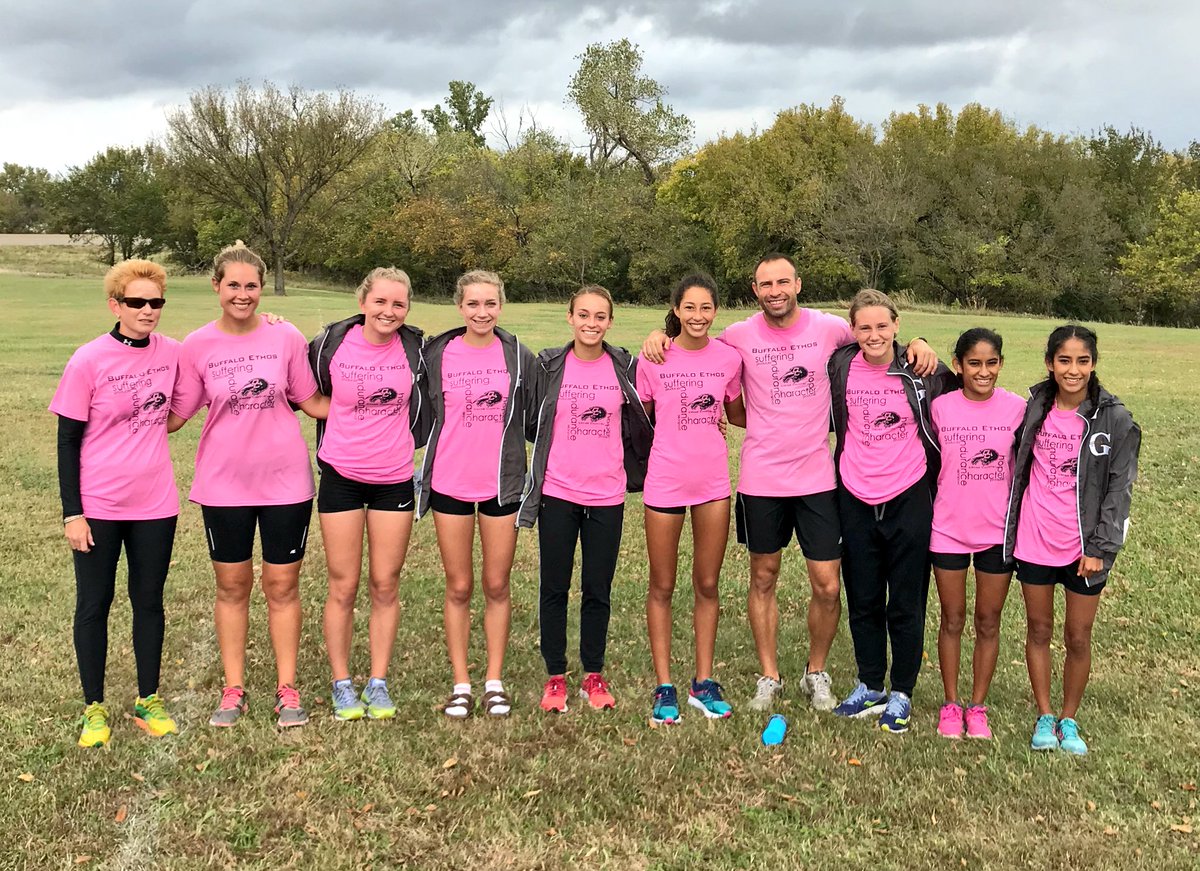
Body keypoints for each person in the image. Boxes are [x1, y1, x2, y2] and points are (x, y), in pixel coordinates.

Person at [642, 254, 938, 712]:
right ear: (755, 289)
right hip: (762, 478)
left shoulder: (830, 328)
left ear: (798, 284)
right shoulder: (738, 336)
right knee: (763, 576)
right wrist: (658, 335)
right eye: (766, 284)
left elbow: (877, 336)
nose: (775, 290)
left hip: (817, 478)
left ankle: (815, 672)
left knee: (827, 584)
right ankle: (769, 675)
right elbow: (695, 346)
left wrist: (918, 341)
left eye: (783, 281)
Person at [169, 242, 329, 729]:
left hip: (286, 484)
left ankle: (287, 688)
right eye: (233, 285)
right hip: (223, 486)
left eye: (252, 286)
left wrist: (377, 407)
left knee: (282, 585)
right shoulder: (196, 345)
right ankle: (233, 688)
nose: (243, 294)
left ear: (262, 289)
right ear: (216, 287)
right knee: (232, 585)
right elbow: (177, 415)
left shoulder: (285, 336)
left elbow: (312, 402)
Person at [51, 260, 181, 747]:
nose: (148, 310)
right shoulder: (88, 359)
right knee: (94, 603)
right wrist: (73, 513)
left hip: (155, 505)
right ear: (115, 305)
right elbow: (67, 441)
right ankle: (94, 708)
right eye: (136, 302)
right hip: (99, 505)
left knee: (148, 601)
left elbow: (218, 352)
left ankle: (148, 699)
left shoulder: (172, 352)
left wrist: (268, 321)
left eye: (156, 302)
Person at [1004, 325, 1139, 755]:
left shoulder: (1114, 419)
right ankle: (1045, 715)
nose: (1073, 370)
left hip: (1085, 548)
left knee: (1078, 636)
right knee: (1039, 629)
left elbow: (1119, 489)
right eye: (1064, 360)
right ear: (1050, 363)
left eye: (1083, 361)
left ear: (1093, 364)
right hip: (1034, 539)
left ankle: (1069, 718)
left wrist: (1100, 548)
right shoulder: (1034, 407)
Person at [519, 285, 652, 713]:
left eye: (599, 316)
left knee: (598, 589)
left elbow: (653, 405)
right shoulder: (549, 365)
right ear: (570, 317)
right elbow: (532, 420)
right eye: (583, 315)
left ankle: (593, 674)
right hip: (558, 492)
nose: (591, 324)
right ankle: (555, 676)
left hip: (607, 494)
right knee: (554, 587)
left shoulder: (625, 366)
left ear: (610, 321)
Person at [827, 289, 955, 734]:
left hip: (909, 495)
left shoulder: (922, 369)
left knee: (905, 601)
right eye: (865, 327)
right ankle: (869, 684)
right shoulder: (840, 364)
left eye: (883, 325)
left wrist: (923, 343)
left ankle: (901, 690)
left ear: (897, 325)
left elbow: (965, 392)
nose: (874, 334)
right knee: (862, 598)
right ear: (853, 330)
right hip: (855, 496)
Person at [308, 267, 430, 721]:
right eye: (380, 301)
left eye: (399, 304)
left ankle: (378, 683)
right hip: (341, 475)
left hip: (394, 478)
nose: (389, 311)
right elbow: (305, 392)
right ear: (362, 303)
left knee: (385, 583)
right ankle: (342, 683)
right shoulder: (331, 343)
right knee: (343, 584)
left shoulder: (416, 349)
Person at [416, 270, 534, 719]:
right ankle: (461, 683)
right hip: (450, 482)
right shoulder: (437, 353)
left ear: (500, 306)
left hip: (501, 483)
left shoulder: (518, 355)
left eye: (490, 304)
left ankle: (494, 681)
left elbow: (543, 409)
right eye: (473, 304)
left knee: (497, 584)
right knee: (460, 585)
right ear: (459, 307)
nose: (481, 312)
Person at [636, 274, 744, 725]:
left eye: (706, 308)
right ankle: (665, 686)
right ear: (676, 310)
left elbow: (738, 414)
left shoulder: (728, 358)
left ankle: (703, 682)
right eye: (690, 308)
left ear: (715, 311)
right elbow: (640, 419)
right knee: (661, 586)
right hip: (664, 481)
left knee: (707, 584)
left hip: (712, 484)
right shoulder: (653, 356)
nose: (698, 316)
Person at [929, 328, 1025, 739]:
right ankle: (951, 704)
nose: (983, 372)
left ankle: (978, 706)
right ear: (958, 365)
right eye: (973, 363)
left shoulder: (1018, 409)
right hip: (947, 528)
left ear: (1000, 364)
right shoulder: (939, 408)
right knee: (952, 618)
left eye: (991, 363)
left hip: (997, 532)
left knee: (988, 621)